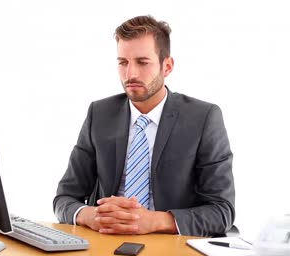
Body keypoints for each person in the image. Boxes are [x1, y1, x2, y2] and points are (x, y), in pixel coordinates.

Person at [53, 15, 235, 237]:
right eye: (123, 62)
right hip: (106, 242)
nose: (131, 74)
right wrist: (90, 215)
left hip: (171, 247)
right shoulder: (99, 114)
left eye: (142, 62)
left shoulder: (204, 118)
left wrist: (155, 220)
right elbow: (64, 198)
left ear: (167, 66)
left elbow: (222, 211)